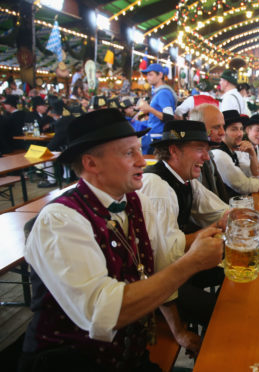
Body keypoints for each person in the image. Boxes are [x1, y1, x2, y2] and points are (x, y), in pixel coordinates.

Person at [21, 109, 224, 371]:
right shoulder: (59, 221)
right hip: (69, 362)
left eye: (139, 150)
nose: (142, 161)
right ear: (91, 163)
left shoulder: (136, 202)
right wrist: (192, 263)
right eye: (129, 153)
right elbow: (103, 314)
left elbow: (160, 266)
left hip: (130, 357)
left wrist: (179, 329)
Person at [140, 120, 229, 333]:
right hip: (153, 285)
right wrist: (178, 331)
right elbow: (162, 258)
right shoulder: (157, 186)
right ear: (174, 151)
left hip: (176, 268)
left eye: (207, 151)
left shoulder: (185, 180)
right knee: (224, 314)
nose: (206, 157)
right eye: (200, 149)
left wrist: (247, 218)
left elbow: (221, 212)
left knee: (233, 275)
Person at [211, 110, 259, 196]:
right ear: (223, 132)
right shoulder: (220, 155)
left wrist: (252, 154)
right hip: (230, 206)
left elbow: (252, 174)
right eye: (234, 129)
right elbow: (245, 187)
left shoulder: (233, 151)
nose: (240, 134)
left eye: (241, 129)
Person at [188, 103, 230, 202]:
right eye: (216, 127)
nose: (222, 132)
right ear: (197, 127)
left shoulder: (209, 155)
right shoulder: (190, 162)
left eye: (223, 126)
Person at [136, 63, 178, 153]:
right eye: (147, 75)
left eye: (151, 74)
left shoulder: (163, 93)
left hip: (157, 138)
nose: (148, 77)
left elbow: (169, 117)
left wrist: (150, 109)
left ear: (160, 75)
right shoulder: (158, 93)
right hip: (154, 135)